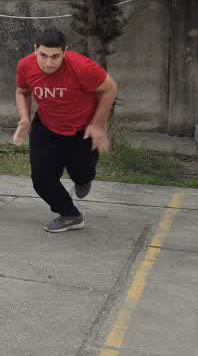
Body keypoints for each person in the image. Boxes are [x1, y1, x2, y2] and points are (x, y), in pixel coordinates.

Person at [11, 28, 118, 233]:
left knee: (82, 173)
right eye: (43, 55)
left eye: (55, 57)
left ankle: (83, 180)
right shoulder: (25, 65)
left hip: (82, 130)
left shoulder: (82, 67)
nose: (49, 63)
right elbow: (22, 92)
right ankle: (70, 215)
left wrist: (98, 124)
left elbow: (110, 88)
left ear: (65, 52)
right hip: (46, 126)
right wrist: (24, 117)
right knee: (41, 179)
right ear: (35, 50)